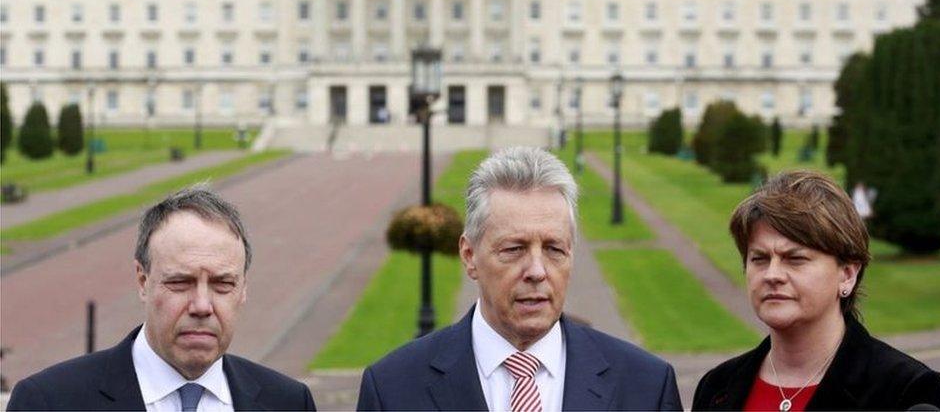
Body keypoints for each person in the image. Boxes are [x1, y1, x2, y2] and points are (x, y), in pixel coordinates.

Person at [357, 146, 682, 411]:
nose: (537, 271)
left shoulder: (647, 387)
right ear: (469, 256)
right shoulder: (392, 389)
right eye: (514, 248)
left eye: (554, 248)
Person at [8, 185, 316, 411]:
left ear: (244, 288)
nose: (201, 306)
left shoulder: (288, 402)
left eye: (223, 284)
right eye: (181, 282)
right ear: (143, 281)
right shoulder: (48, 402)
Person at [692, 170, 940, 411]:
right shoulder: (717, 387)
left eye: (795, 259)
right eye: (759, 259)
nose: (772, 275)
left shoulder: (907, 391)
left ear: (847, 274)